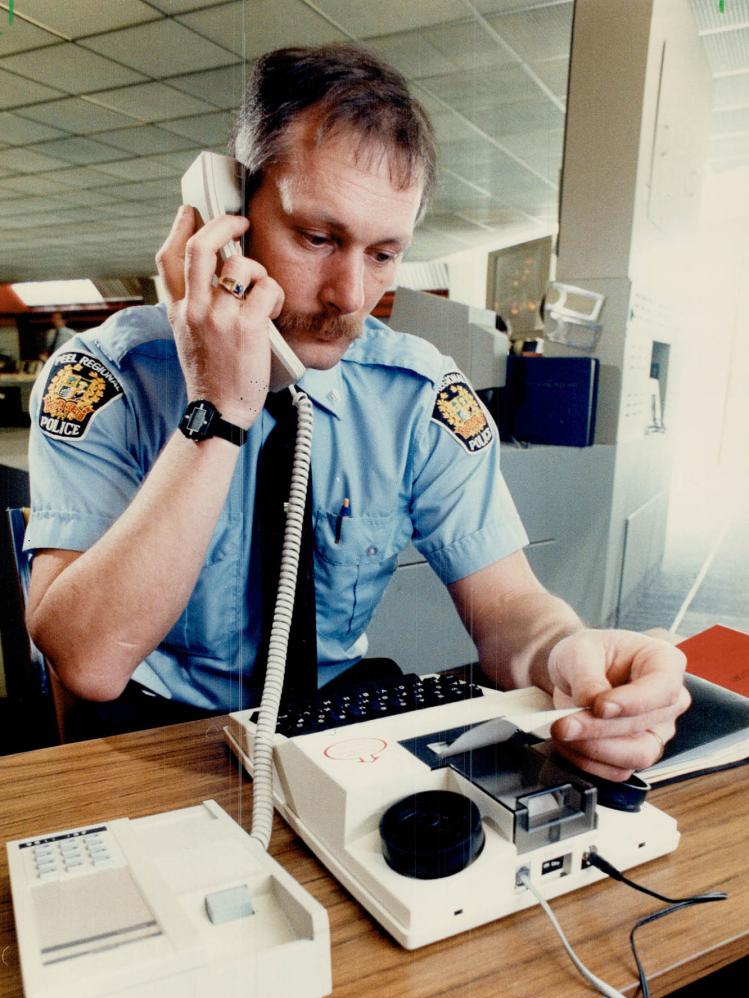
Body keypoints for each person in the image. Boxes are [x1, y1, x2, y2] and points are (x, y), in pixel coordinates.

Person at [25, 44, 688, 779]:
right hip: (159, 728)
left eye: (382, 254)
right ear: (229, 214)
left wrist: (567, 650)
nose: (349, 294)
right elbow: (85, 662)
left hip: (327, 723)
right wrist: (218, 409)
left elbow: (506, 607)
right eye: (317, 238)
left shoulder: (417, 395)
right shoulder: (105, 376)